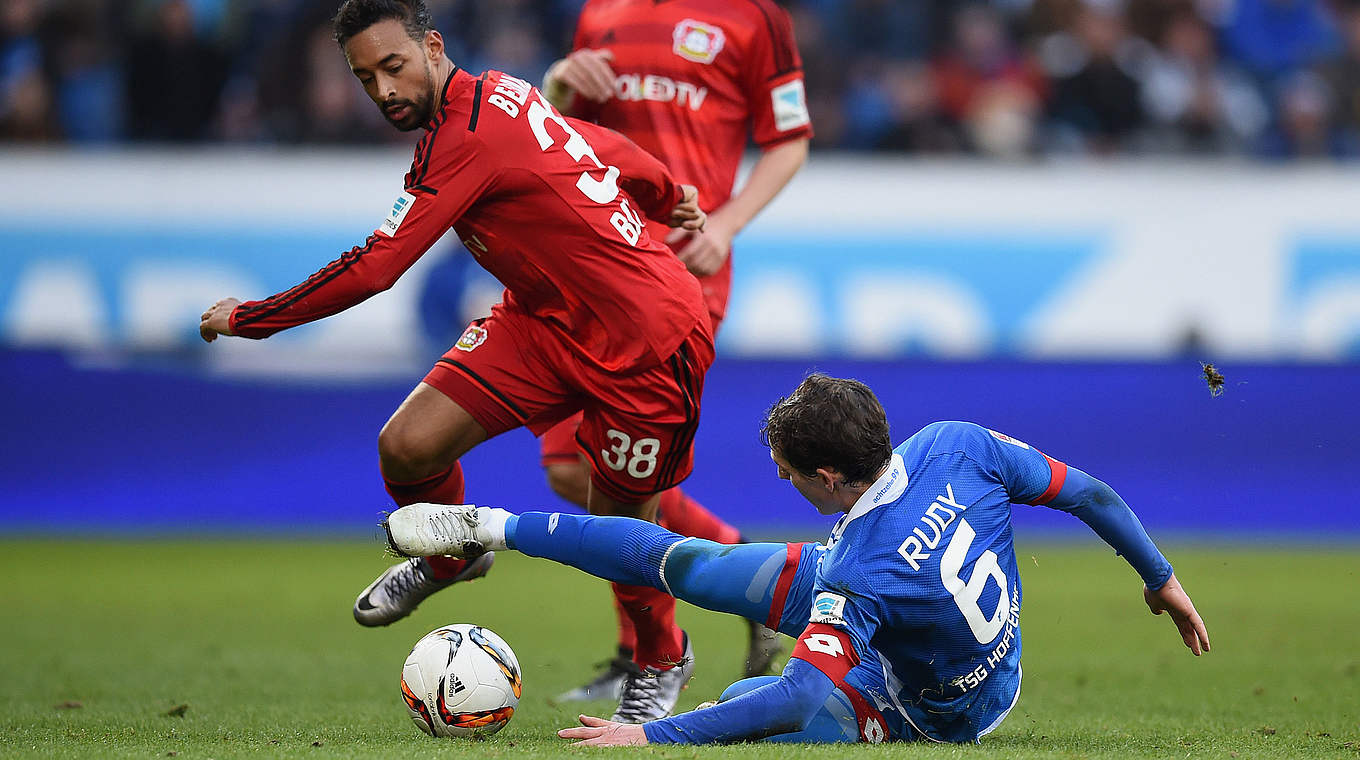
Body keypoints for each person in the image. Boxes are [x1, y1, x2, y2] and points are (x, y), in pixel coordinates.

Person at [197, 0, 713, 723]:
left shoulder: (467, 136)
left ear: (433, 47)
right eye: (365, 76)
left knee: (618, 535)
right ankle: (452, 555)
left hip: (645, 341)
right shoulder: (496, 94)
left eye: (393, 66)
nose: (382, 90)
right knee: (407, 448)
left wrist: (254, 318)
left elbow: (377, 267)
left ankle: (664, 660)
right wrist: (665, 191)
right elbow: (594, 141)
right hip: (542, 320)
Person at [381, 373, 1211, 745]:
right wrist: (1162, 580)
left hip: (940, 707)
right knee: (690, 566)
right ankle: (485, 524)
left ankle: (494, 529)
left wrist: (654, 740)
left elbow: (792, 700)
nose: (775, 474)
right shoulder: (957, 444)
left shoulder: (858, 571)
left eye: (784, 465)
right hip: (922, 602)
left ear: (827, 475)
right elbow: (1091, 493)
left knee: (750, 702)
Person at [536, 0, 814, 699]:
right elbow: (567, 136)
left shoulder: (754, 17)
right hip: (599, 263)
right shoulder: (601, 9)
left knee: (601, 462)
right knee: (575, 466)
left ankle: (645, 654)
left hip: (683, 271)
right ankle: (756, 578)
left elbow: (790, 141)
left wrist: (727, 223)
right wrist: (558, 91)